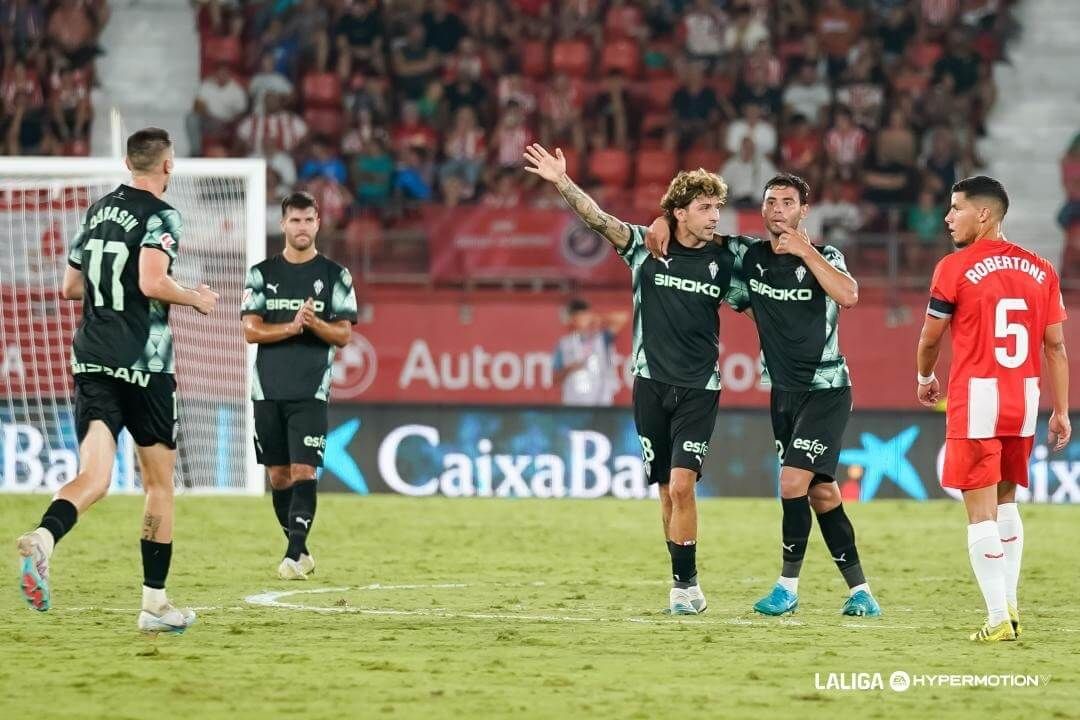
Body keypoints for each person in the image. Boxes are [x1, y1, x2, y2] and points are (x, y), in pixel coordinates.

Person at [645, 173, 881, 617]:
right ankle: (861, 592)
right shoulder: (746, 256)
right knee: (823, 494)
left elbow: (849, 295)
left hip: (826, 389)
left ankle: (787, 587)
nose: (777, 209)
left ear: (803, 210)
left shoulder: (826, 255)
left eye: (787, 202)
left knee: (792, 481)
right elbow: (695, 233)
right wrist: (661, 219)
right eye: (771, 201)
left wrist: (805, 250)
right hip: (783, 394)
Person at [524, 142, 744, 615]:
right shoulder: (646, 246)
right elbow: (597, 219)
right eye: (704, 208)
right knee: (666, 489)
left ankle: (686, 588)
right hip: (649, 385)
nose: (714, 216)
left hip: (699, 390)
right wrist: (563, 181)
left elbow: (761, 290)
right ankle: (682, 585)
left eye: (717, 208)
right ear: (679, 212)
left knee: (683, 485)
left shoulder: (726, 260)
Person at [16, 128, 219, 632]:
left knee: (96, 477)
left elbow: (68, 286)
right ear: (167, 166)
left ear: (129, 163)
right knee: (158, 486)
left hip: (90, 357)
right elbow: (152, 281)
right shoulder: (162, 215)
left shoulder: (97, 210)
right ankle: (154, 604)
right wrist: (195, 297)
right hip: (144, 364)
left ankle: (44, 537)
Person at [916, 176, 1070, 642]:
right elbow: (1056, 347)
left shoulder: (954, 267)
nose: (947, 217)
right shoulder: (1042, 268)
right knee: (1006, 504)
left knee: (979, 513)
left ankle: (997, 617)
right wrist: (1060, 411)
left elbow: (929, 337)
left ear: (984, 214)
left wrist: (925, 377)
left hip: (977, 397)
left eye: (955, 208)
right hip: (1023, 399)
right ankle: (1012, 605)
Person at [241, 191, 358, 580]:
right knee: (278, 476)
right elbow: (250, 330)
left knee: (303, 469)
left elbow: (341, 335)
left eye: (308, 220)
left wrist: (312, 324)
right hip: (267, 389)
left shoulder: (335, 275)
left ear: (318, 223)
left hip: (310, 390)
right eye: (295, 220)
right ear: (283, 224)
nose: (302, 227)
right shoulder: (261, 273)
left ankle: (292, 554)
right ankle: (301, 549)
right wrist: (290, 327)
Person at [552, 298, 628, 407]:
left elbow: (623, 318)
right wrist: (570, 369)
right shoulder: (563, 345)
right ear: (571, 319)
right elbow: (555, 379)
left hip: (601, 405)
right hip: (574, 407)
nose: (583, 320)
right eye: (579, 317)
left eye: (585, 316)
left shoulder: (602, 338)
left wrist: (599, 318)